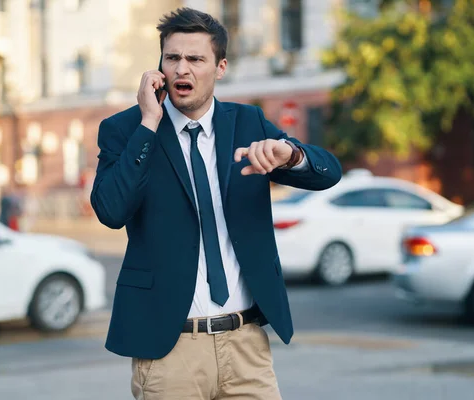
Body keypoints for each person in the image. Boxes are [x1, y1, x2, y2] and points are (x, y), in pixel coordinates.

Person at [91, 7, 342, 399]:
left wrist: (290, 155)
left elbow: (328, 173)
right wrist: (148, 124)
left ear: (220, 67)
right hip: (169, 349)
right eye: (172, 58)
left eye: (195, 59)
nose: (181, 70)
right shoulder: (126, 129)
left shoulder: (249, 123)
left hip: (245, 345)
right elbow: (110, 210)